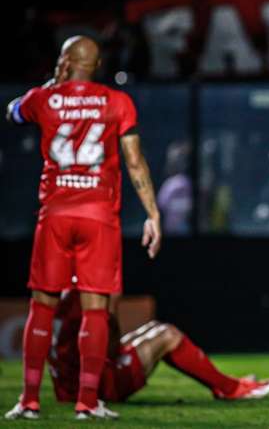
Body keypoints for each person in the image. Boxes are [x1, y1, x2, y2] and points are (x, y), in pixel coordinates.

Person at [4, 35, 162, 420]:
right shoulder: (116, 101)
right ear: (96, 64)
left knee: (42, 305)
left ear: (65, 61)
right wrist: (153, 214)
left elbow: (11, 112)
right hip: (99, 216)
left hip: (55, 214)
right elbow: (135, 161)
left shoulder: (45, 99)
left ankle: (28, 401)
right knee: (95, 307)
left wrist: (53, 86)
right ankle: (87, 403)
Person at [47, 290, 269, 404]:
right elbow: (108, 350)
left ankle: (227, 385)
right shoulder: (90, 290)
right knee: (168, 335)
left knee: (154, 328)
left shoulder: (65, 285)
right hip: (96, 387)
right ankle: (230, 389)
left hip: (67, 385)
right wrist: (112, 311)